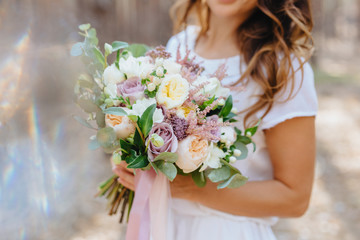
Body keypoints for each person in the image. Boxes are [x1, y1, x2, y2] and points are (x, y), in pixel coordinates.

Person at [112, 0, 317, 239]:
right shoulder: (180, 44)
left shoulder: (282, 69)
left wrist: (190, 189)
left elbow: (295, 198)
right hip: (163, 222)